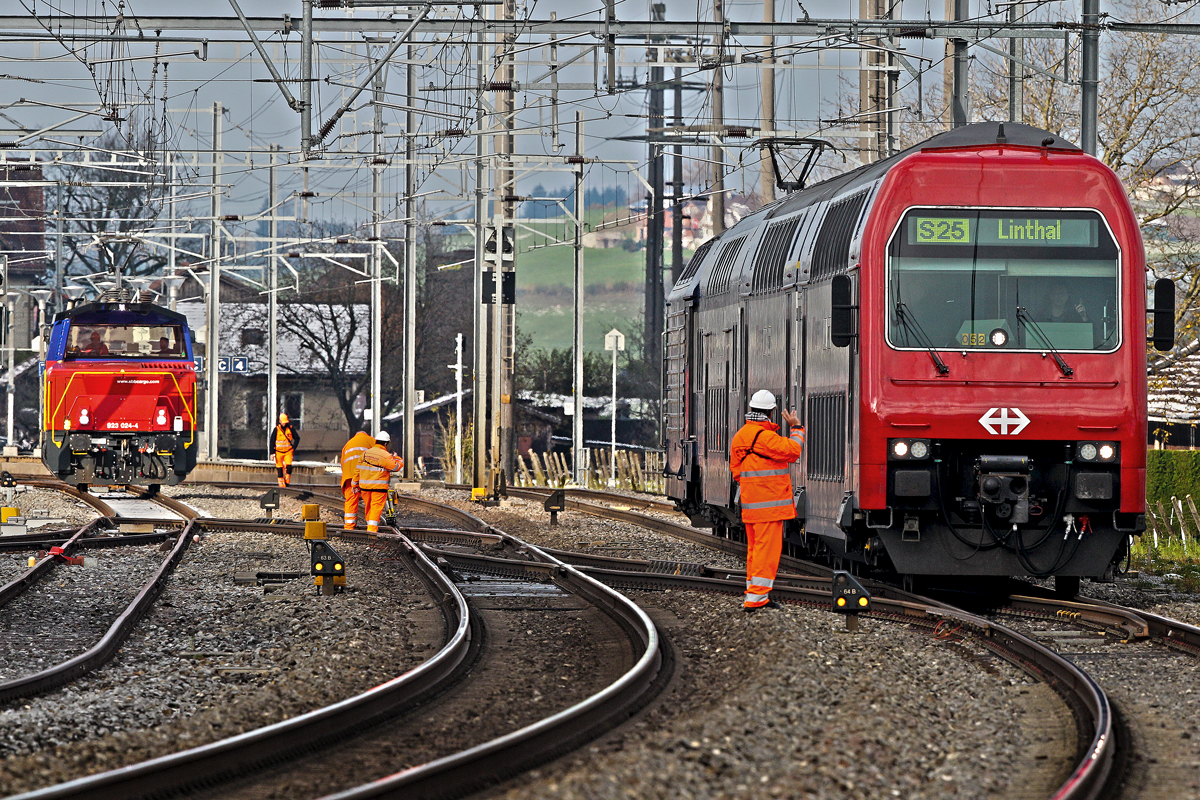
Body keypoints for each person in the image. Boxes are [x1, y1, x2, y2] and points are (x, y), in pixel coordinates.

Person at [730, 389, 805, 612]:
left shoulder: (740, 436)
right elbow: (793, 451)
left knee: (755, 551)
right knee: (767, 552)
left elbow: (736, 471)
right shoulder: (765, 437)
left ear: (752, 409)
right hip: (770, 506)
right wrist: (797, 428)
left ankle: (755, 594)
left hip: (751, 506)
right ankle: (756, 599)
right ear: (772, 412)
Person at [357, 430, 403, 533]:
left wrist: (355, 484)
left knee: (368, 507)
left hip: (364, 487)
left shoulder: (365, 454)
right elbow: (395, 467)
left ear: (376, 441)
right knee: (375, 508)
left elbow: (357, 470)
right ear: (386, 443)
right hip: (379, 487)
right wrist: (397, 458)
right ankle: (372, 531)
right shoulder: (385, 455)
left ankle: (370, 527)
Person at [340, 426, 376, 529]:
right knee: (369, 500)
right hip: (365, 475)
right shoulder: (371, 441)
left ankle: (349, 526)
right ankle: (371, 526)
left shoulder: (347, 444)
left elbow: (343, 463)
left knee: (351, 500)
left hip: (349, 476)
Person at [271, 413, 300, 488]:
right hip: (278, 452)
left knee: (289, 466)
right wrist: (272, 453)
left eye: (285, 422)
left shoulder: (290, 428)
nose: (284, 423)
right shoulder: (276, 430)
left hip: (288, 451)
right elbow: (272, 441)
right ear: (280, 421)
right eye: (283, 422)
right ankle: (281, 483)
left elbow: (297, 438)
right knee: (279, 468)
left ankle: (287, 480)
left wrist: (294, 447)